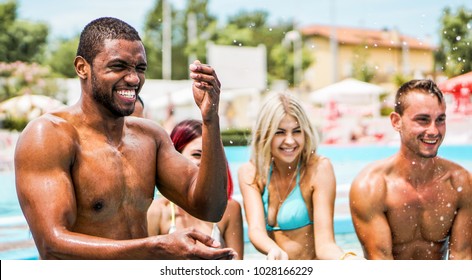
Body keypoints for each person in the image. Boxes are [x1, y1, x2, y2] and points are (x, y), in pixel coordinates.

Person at [14, 17, 235, 260]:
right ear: (82, 67)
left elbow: (211, 207)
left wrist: (210, 120)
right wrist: (155, 248)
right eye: (118, 66)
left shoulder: (150, 137)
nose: (133, 79)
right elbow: (52, 243)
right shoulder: (48, 135)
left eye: (140, 69)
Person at [350, 79, 472, 260]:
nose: (433, 131)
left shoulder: (460, 183)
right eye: (422, 120)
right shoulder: (371, 187)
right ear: (396, 121)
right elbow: (381, 266)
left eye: (440, 120)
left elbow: (462, 261)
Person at [238, 92, 362, 260]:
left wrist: (347, 260)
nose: (290, 141)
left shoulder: (318, 169)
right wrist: (274, 250)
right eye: (280, 132)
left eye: (296, 131)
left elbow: (325, 245)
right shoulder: (251, 172)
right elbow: (256, 230)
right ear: (265, 134)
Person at [147, 119, 244, 259]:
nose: (205, 164)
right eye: (197, 155)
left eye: (211, 157)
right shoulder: (157, 211)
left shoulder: (230, 209)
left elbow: (238, 269)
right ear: (175, 156)